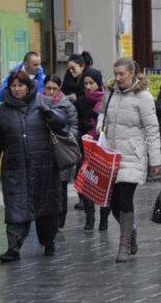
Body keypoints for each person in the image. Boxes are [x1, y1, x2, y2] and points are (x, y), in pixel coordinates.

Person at [0, 70, 65, 262]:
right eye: (13, 86)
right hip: (15, 169)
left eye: (21, 85)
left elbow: (63, 124)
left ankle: (48, 241)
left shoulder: (43, 103)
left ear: (28, 86)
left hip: (44, 167)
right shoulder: (2, 111)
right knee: (15, 208)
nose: (17, 89)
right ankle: (13, 248)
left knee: (46, 209)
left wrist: (50, 114)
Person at [97, 58, 161, 262]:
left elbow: (152, 129)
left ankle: (124, 243)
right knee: (112, 203)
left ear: (132, 74)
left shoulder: (143, 97)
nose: (117, 78)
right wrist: (100, 127)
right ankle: (131, 230)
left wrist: (156, 161)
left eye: (121, 74)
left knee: (125, 198)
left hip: (132, 155)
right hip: (111, 154)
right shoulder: (110, 93)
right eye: (115, 73)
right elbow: (102, 115)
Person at [60, 52, 98, 211]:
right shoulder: (68, 80)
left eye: (73, 68)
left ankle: (87, 197)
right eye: (68, 68)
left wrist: (77, 99)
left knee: (85, 164)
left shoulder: (90, 79)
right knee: (78, 162)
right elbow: (63, 94)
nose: (70, 71)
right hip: (74, 126)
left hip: (88, 128)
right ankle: (83, 196)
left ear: (82, 66)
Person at [76, 69, 110, 231]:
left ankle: (104, 219)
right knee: (86, 181)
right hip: (87, 146)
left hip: (104, 145)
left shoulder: (107, 100)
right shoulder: (81, 102)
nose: (88, 86)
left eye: (92, 83)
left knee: (105, 183)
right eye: (86, 83)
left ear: (99, 83)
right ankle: (90, 218)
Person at [43, 75, 78, 229]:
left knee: (61, 187)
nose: (51, 91)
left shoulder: (67, 104)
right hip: (43, 151)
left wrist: (67, 139)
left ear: (59, 89)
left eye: (54, 88)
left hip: (61, 149)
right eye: (48, 88)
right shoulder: (38, 102)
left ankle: (60, 219)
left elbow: (74, 125)